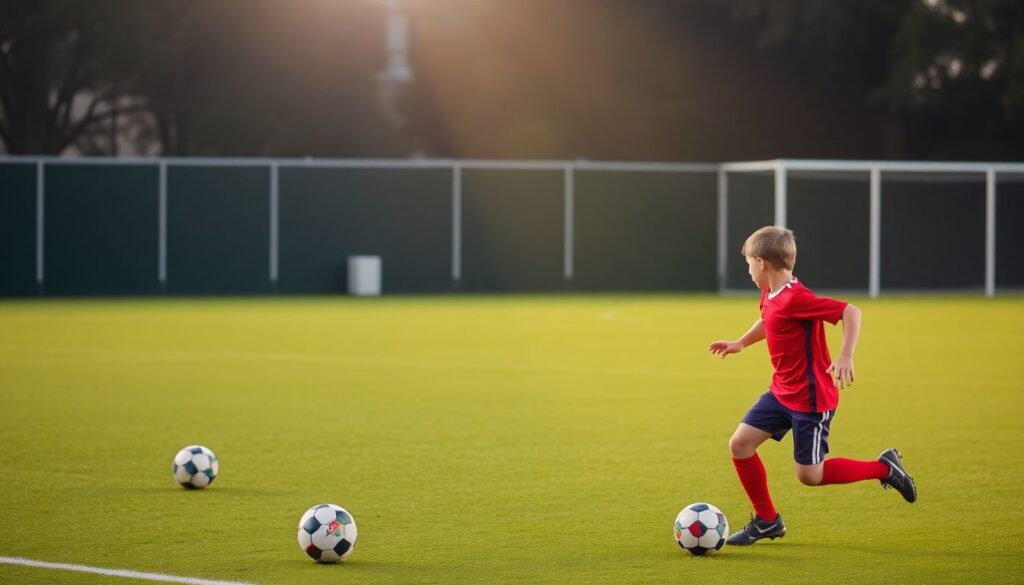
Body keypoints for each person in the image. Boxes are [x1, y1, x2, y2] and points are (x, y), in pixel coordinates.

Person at [708, 226, 916, 546]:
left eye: (748, 263)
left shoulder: (796, 297)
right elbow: (768, 320)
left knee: (810, 476)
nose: (748, 270)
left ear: (762, 262)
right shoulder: (772, 293)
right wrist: (740, 343)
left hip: (810, 399)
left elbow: (850, 311)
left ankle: (883, 468)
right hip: (781, 391)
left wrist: (845, 354)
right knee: (740, 444)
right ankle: (767, 521)